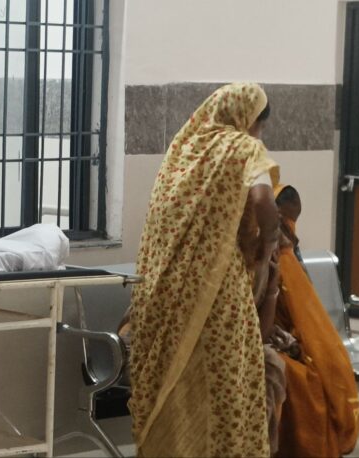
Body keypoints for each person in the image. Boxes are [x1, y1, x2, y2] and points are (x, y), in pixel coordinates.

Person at [127, 82, 281, 456]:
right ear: (249, 119)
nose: (258, 134)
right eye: (260, 125)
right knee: (223, 383)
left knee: (177, 386)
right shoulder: (242, 148)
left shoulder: (183, 149)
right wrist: (269, 243)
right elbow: (263, 198)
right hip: (217, 292)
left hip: (165, 292)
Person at [268, 184, 359, 457]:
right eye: (284, 225)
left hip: (280, 344)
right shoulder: (275, 257)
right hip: (256, 345)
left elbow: (307, 324)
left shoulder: (284, 258)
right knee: (302, 382)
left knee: (307, 377)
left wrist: (295, 347)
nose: (289, 234)